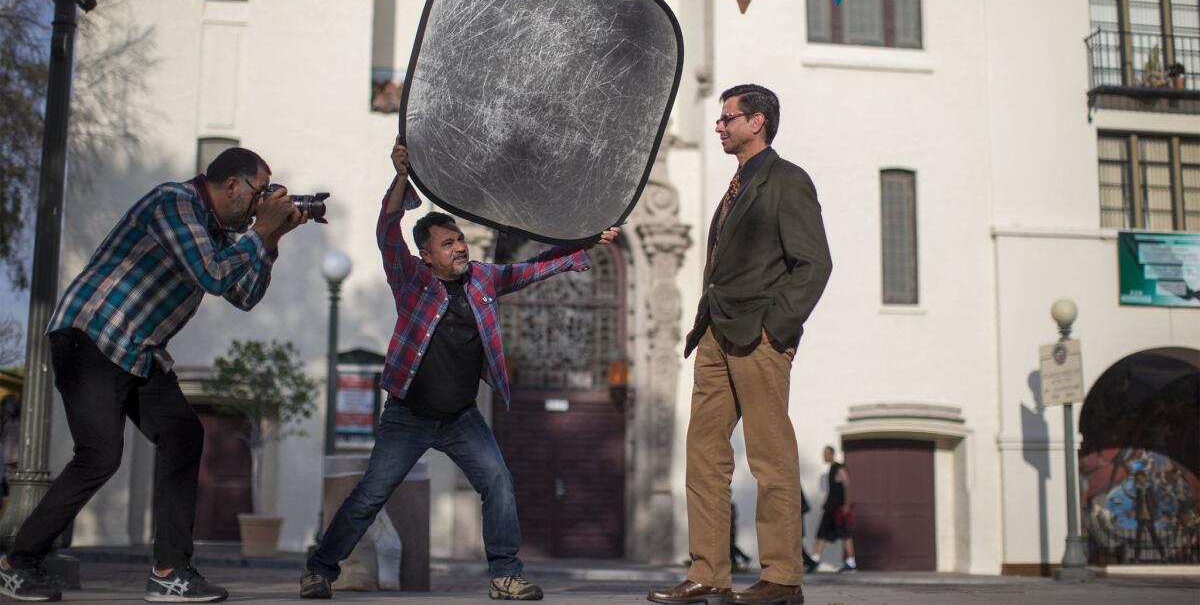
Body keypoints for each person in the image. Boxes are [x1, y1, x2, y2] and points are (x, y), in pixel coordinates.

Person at [300, 137, 620, 601]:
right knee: (370, 495)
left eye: (460, 239)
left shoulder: (484, 280)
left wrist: (589, 239)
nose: (460, 247)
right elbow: (388, 228)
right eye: (448, 243)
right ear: (427, 254)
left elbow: (534, 268)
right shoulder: (411, 279)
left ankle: (504, 575)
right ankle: (319, 570)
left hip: (461, 418)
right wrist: (402, 177)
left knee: (499, 484)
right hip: (408, 416)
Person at [0, 148, 306, 603]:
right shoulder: (175, 203)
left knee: (184, 435)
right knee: (100, 456)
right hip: (92, 335)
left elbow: (243, 295)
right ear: (232, 186)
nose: (261, 202)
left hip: (136, 351)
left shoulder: (218, 231)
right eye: (259, 192)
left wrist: (272, 238)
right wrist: (261, 231)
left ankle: (170, 571)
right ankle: (18, 561)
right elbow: (215, 276)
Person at [649, 84, 832, 605]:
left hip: (760, 337)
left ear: (758, 122)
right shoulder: (735, 184)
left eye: (728, 117)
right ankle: (708, 571)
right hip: (715, 334)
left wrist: (778, 326)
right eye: (720, 117)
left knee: (770, 457)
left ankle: (782, 577)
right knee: (703, 454)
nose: (720, 126)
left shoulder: (788, 181)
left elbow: (814, 264)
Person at [809, 445, 856, 573]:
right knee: (822, 532)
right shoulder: (831, 469)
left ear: (831, 454)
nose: (823, 456)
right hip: (830, 507)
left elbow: (847, 484)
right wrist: (826, 501)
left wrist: (846, 504)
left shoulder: (838, 467)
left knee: (845, 533)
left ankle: (851, 563)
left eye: (825, 453)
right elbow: (834, 489)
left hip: (838, 508)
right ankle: (815, 559)